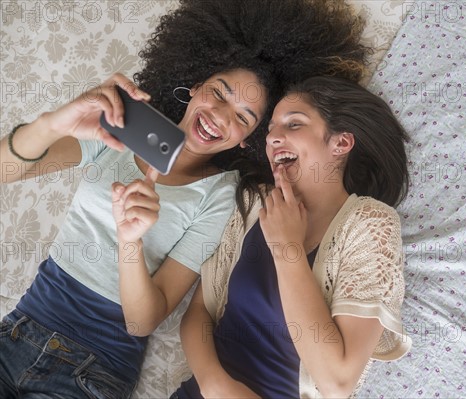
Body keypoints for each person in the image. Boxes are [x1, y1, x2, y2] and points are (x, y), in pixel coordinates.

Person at [0, 0, 370, 397]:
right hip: (17, 331)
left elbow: (143, 322)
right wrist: (52, 122)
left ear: (249, 139)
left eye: (244, 117)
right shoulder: (120, 131)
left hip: (93, 368)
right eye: (218, 93)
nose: (221, 116)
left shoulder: (221, 195)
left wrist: (131, 241)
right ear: (195, 86)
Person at [171, 76, 413, 399]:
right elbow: (198, 313)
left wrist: (288, 250)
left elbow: (338, 382)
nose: (272, 138)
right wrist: (216, 384)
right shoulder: (254, 202)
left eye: (293, 124)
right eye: (270, 129)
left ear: (340, 144)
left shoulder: (370, 224)